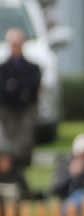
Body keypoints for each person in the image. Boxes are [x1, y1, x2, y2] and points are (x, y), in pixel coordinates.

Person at [0, 29, 41, 169]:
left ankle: (22, 163)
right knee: (9, 137)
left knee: (25, 137)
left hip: (26, 108)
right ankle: (11, 164)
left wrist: (15, 87)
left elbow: (32, 88)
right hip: (8, 109)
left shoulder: (33, 68)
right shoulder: (3, 68)